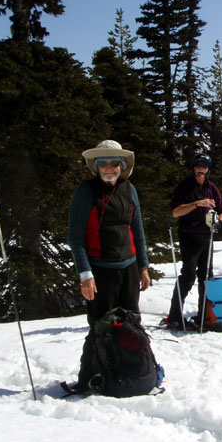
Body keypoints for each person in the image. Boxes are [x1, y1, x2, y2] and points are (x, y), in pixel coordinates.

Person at [68, 140, 151, 326]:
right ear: (96, 166)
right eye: (103, 164)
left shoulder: (129, 189)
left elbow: (137, 229)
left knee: (131, 326)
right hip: (100, 272)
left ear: (121, 165)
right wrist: (85, 275)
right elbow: (75, 237)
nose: (109, 168)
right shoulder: (85, 191)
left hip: (129, 269)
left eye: (114, 163)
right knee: (102, 329)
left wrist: (143, 267)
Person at [164, 152, 222, 329]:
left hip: (207, 236)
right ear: (194, 168)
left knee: (206, 277)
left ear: (208, 169)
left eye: (204, 166)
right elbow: (175, 212)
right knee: (188, 275)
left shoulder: (212, 188)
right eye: (198, 166)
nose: (201, 169)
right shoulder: (185, 187)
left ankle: (204, 316)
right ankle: (175, 316)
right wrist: (197, 203)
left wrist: (219, 222)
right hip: (189, 235)